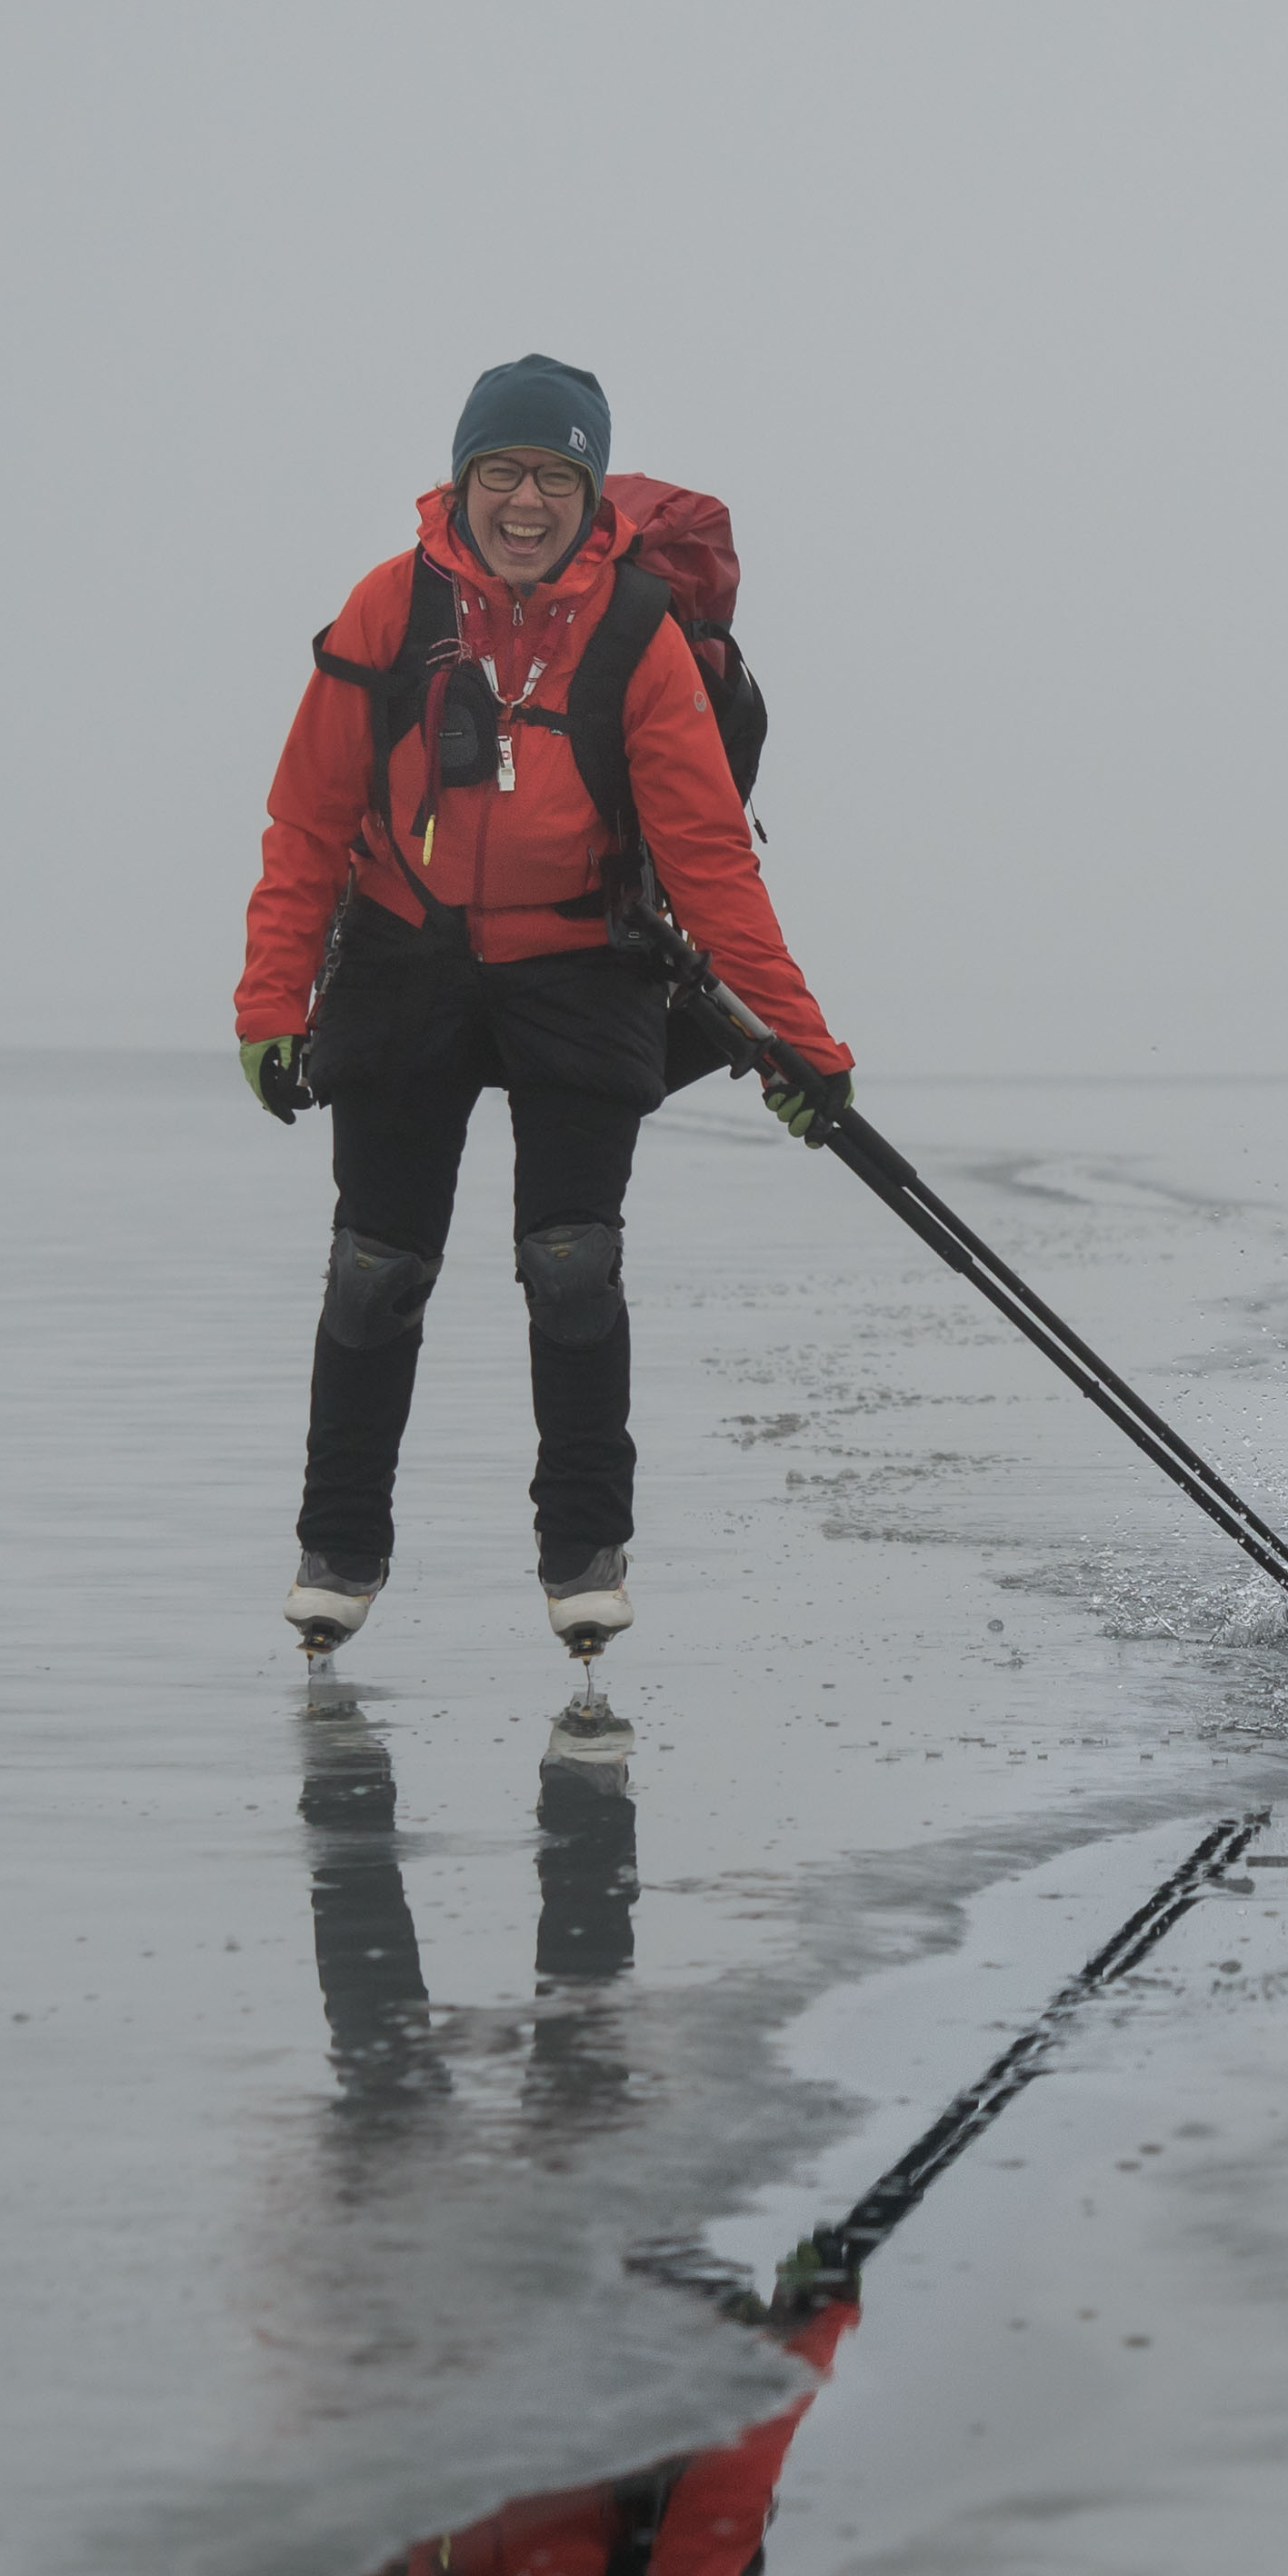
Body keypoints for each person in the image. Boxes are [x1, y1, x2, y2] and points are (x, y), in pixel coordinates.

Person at [236, 355, 855, 1663]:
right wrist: (271, 997)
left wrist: (802, 1041)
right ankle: (337, 1549)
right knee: (377, 1268)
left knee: (572, 1265)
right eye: (503, 472)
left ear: (591, 495)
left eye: (556, 476)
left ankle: (584, 1554)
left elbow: (708, 861)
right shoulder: (386, 611)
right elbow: (308, 819)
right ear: (462, 481)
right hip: (406, 958)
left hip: (581, 967)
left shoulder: (636, 633)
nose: (527, 500)